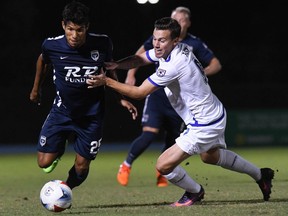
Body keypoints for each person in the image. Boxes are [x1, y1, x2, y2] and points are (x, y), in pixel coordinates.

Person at [87, 17, 274, 206]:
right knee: (210, 157)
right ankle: (261, 175)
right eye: (154, 39)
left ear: (175, 41)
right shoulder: (175, 49)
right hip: (213, 113)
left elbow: (139, 93)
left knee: (163, 165)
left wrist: (107, 81)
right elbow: (141, 58)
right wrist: (117, 65)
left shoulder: (174, 64)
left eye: (162, 40)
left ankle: (194, 192)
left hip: (204, 123)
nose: (156, 44)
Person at [29, 1, 137, 192]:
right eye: (70, 29)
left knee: (81, 166)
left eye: (79, 30)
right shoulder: (51, 45)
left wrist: (121, 96)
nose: (74, 35)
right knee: (43, 162)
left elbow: (110, 69)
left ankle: (65, 189)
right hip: (61, 112)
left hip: (91, 116)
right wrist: (36, 89)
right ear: (63, 25)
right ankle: (60, 147)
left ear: (87, 27)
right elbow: (42, 60)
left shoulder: (102, 43)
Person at [117, 6, 222, 187]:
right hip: (157, 93)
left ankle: (164, 173)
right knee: (149, 134)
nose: (178, 22)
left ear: (187, 24)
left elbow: (216, 64)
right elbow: (141, 55)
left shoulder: (192, 44)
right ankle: (126, 165)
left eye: (181, 20)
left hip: (181, 101)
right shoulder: (161, 37)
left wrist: (197, 74)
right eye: (175, 19)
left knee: (174, 138)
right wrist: (130, 74)